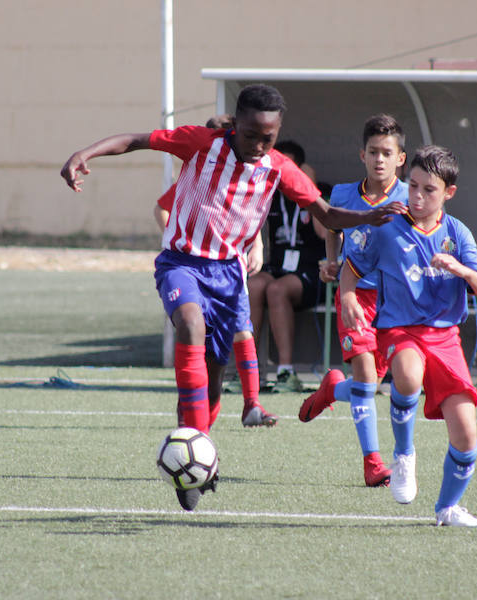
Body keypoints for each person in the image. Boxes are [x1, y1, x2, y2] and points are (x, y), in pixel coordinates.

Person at [60, 83, 403, 511]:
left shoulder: (279, 168)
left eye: (269, 138)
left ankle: (199, 451)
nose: (260, 145)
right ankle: (192, 441)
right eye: (251, 135)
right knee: (189, 324)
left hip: (228, 273)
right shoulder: (201, 142)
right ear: (234, 124)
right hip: (181, 263)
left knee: (216, 370)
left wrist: (371, 215)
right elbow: (135, 140)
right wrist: (84, 154)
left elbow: (327, 214)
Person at [301, 145, 477, 527]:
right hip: (399, 330)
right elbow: (351, 268)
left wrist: (460, 269)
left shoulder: (457, 234)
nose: (419, 197)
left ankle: (446, 508)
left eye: (430, 190)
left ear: (449, 193)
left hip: (446, 339)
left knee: (466, 434)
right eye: (414, 187)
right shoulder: (388, 227)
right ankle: (404, 456)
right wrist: (346, 299)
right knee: (406, 374)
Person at [153, 114, 276, 428]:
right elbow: (162, 207)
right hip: (192, 266)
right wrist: (182, 235)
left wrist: (257, 246)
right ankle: (192, 418)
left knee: (240, 333)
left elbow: (251, 215)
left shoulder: (250, 176)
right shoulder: (196, 176)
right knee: (196, 334)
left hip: (228, 271)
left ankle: (250, 404)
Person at [304, 114, 408, 488]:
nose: (379, 159)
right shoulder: (345, 194)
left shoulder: (411, 197)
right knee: (366, 377)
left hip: (396, 301)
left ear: (401, 158)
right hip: (354, 296)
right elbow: (333, 230)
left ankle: (333, 389)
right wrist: (332, 261)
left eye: (387, 153)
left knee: (369, 386)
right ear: (361, 155)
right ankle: (373, 463)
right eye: (373, 152)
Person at [247, 140, 327, 393]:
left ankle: (285, 371)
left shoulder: (319, 192)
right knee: (255, 284)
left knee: (277, 290)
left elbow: (325, 233)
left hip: (312, 272)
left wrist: (309, 190)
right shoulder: (268, 193)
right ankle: (247, 370)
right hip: (279, 268)